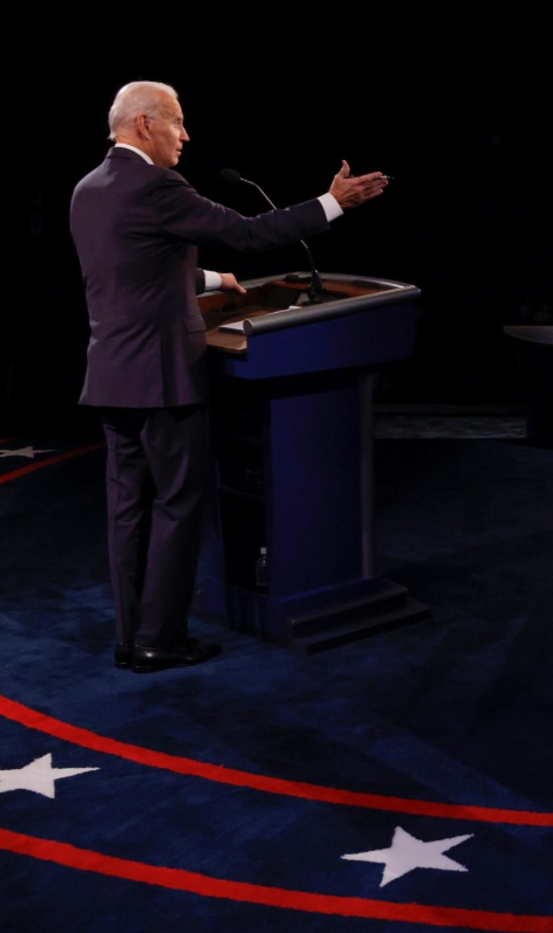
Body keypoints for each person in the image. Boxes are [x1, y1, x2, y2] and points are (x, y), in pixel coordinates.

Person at [70, 81, 388, 673]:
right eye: (178, 123)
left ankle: (130, 634)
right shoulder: (158, 185)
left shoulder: (89, 189)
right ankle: (159, 641)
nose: (185, 136)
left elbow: (132, 274)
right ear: (144, 125)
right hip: (164, 378)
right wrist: (333, 202)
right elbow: (247, 232)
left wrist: (216, 281)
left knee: (127, 511)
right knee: (176, 506)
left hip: (112, 377)